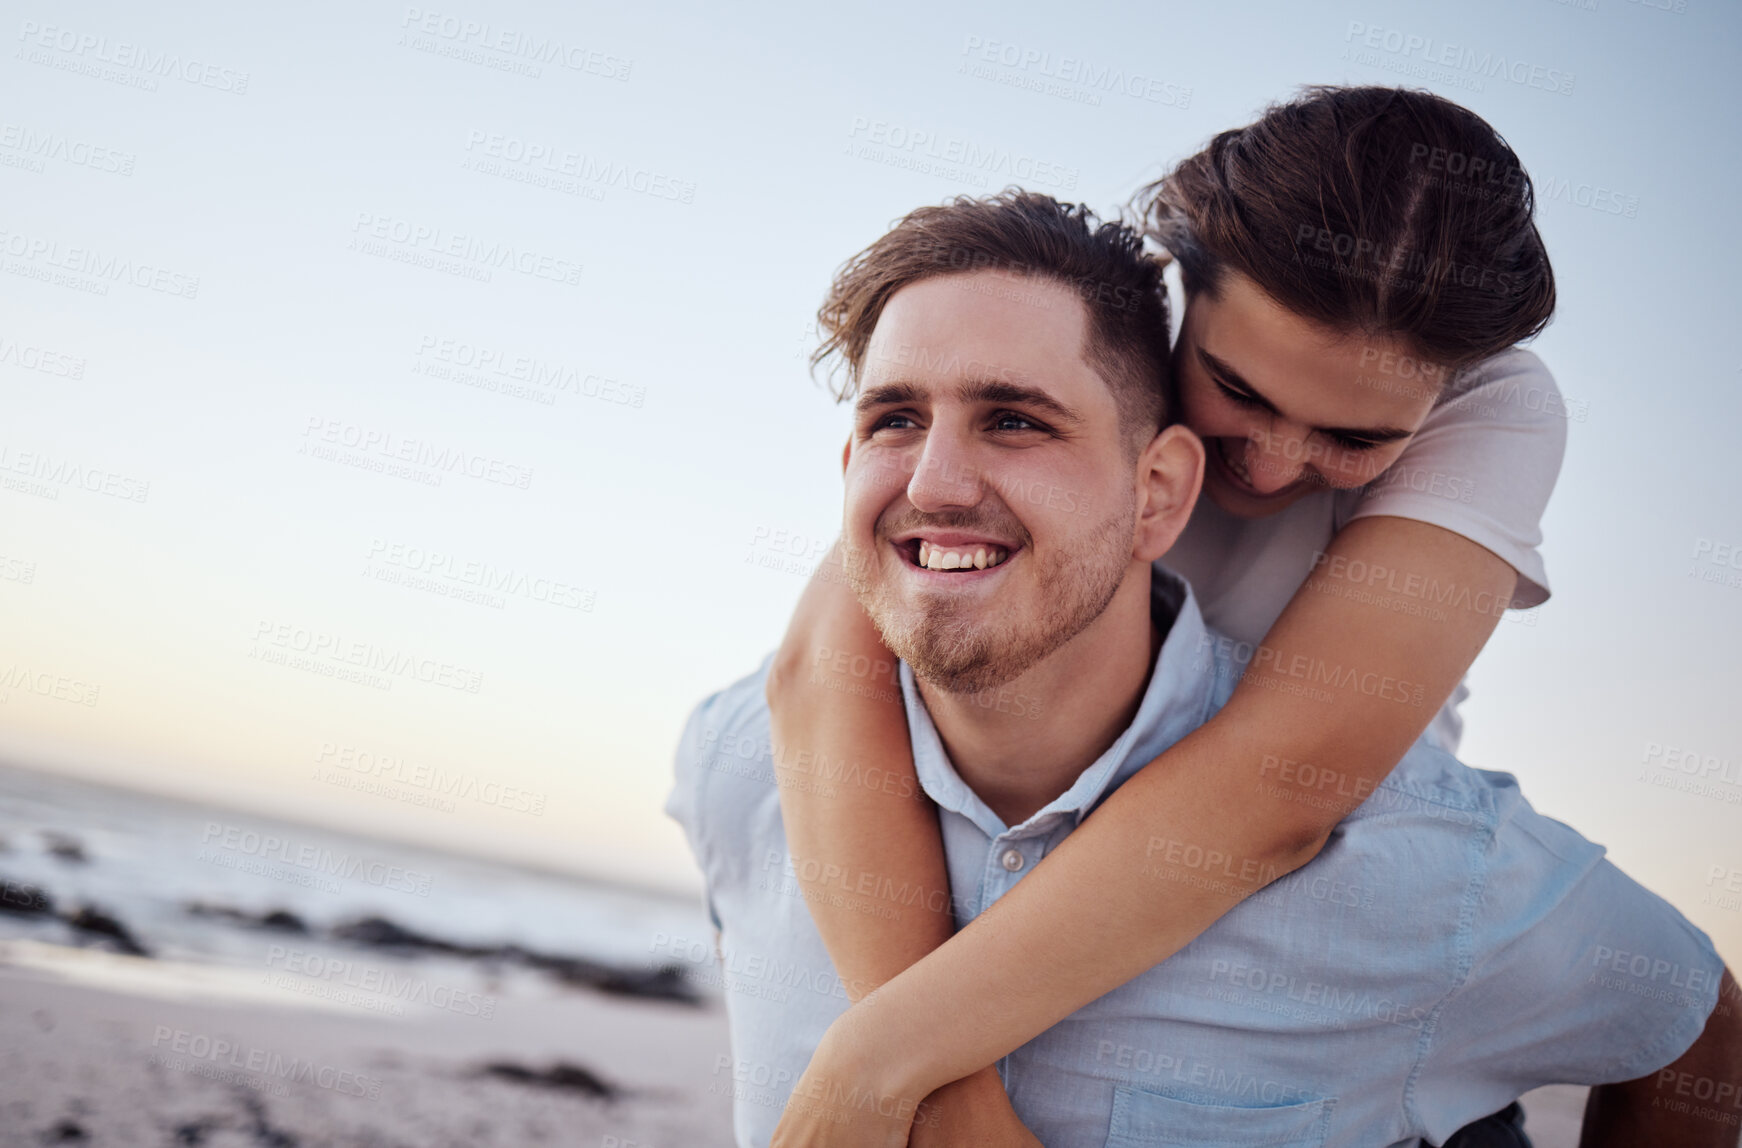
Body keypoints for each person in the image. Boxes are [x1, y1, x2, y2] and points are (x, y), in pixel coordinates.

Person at [665, 190, 1739, 1147]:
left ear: (1154, 483)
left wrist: (878, 1063)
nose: (1267, 463)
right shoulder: (743, 763)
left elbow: (1279, 787)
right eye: (1232, 388)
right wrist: (928, 1079)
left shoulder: (1420, 865)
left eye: (1351, 435)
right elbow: (817, 665)